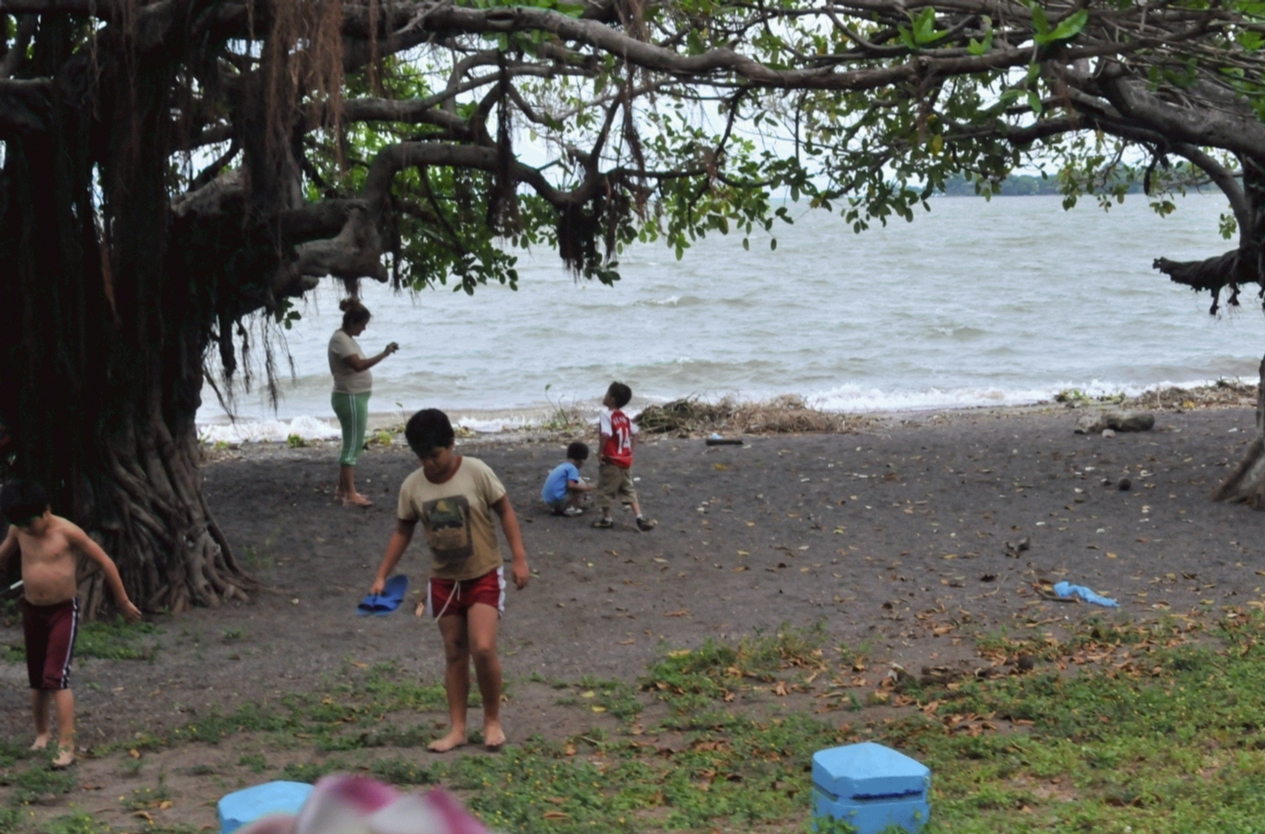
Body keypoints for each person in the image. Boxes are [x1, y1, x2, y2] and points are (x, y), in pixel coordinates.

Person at [367, 409, 529, 752]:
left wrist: (519, 559)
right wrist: (382, 574)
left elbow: (505, 511)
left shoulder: (476, 472)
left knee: (482, 648)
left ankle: (491, 720)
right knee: (455, 652)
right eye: (421, 457)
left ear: (451, 444)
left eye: (435, 455)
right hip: (443, 580)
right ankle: (457, 729)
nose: (429, 463)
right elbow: (402, 531)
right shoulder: (412, 486)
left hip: (483, 572)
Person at [0, 479, 142, 769]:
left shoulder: (66, 532)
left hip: (63, 611)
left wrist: (123, 601)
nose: (26, 528)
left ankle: (67, 745)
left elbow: (104, 561)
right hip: (32, 611)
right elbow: (4, 553)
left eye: (30, 522)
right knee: (37, 679)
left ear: (46, 511)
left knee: (56, 677)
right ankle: (42, 734)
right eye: (20, 523)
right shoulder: (19, 529)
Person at [329, 298, 399, 507]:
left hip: (355, 396)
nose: (364, 328)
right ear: (353, 322)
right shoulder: (340, 340)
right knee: (352, 446)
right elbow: (358, 365)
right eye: (363, 324)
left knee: (353, 443)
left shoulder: (346, 339)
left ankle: (342, 491)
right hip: (349, 396)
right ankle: (350, 493)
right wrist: (384, 354)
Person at [592, 382, 656, 531]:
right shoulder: (624, 417)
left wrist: (600, 451)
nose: (605, 396)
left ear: (612, 399)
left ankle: (607, 519)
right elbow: (636, 433)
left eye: (607, 394)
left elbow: (605, 434)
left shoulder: (606, 416)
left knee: (605, 489)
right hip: (625, 460)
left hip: (611, 459)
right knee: (628, 489)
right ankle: (639, 517)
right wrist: (630, 451)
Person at [541, 441, 595, 516]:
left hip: (549, 500)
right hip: (558, 500)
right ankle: (571, 508)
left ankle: (559, 508)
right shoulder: (572, 468)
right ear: (581, 460)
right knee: (580, 482)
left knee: (573, 482)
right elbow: (571, 486)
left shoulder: (563, 466)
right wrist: (586, 488)